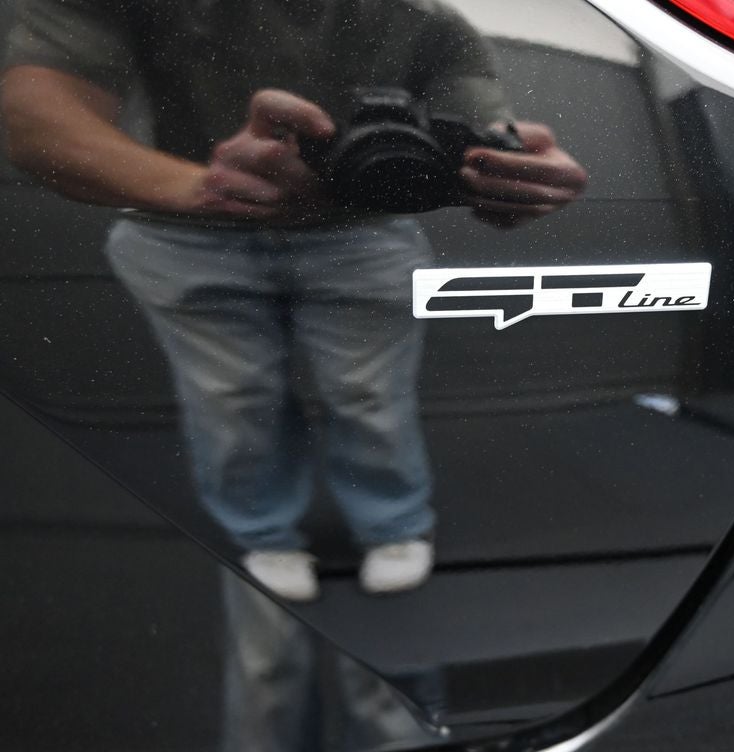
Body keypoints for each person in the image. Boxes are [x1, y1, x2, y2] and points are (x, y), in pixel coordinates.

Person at [2, 0, 587, 601]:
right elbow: (36, 122)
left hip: (351, 233)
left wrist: (513, 176)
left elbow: (489, 144)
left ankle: (383, 525)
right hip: (191, 234)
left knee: (364, 394)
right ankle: (273, 533)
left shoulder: (431, 24)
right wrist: (208, 189)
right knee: (232, 401)